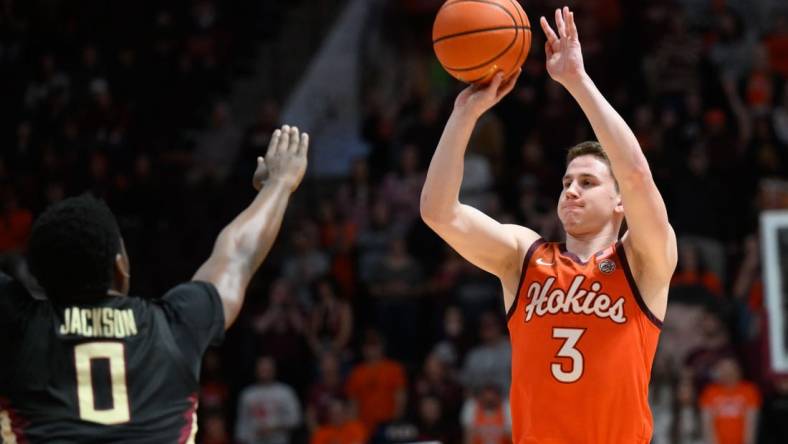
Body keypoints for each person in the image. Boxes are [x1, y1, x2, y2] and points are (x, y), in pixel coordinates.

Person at [420, 7, 677, 443]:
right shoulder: (524, 254)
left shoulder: (643, 261)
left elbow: (635, 172)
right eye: (566, 182)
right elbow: (438, 212)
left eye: (588, 181)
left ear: (619, 202)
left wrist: (576, 81)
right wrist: (464, 113)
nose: (572, 190)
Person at [0, 125, 308, 442]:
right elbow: (238, 255)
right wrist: (279, 185)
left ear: (38, 279)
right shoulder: (174, 327)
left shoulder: (16, 329)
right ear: (121, 266)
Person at [234, 356, 302, 444]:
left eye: (268, 369)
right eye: (262, 369)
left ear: (274, 370)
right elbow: (242, 424)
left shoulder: (285, 392)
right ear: (256, 370)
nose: (265, 372)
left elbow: (296, 419)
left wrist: (275, 427)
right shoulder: (247, 394)